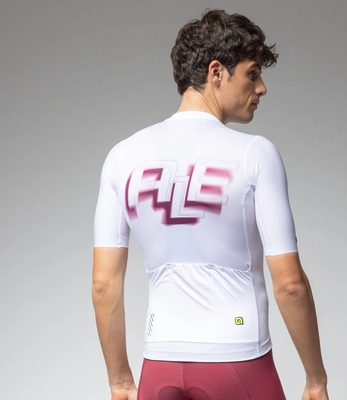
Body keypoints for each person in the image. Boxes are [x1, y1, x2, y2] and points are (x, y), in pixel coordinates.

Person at [92, 9, 329, 400]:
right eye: (253, 73)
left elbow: (104, 285)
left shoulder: (121, 157)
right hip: (238, 361)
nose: (262, 88)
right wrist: (315, 379)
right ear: (216, 72)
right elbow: (290, 285)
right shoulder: (255, 153)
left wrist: (119, 381)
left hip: (160, 364)